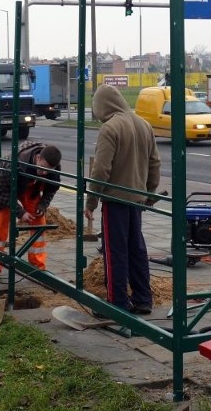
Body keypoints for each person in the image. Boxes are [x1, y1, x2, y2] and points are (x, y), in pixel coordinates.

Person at [84, 84, 161, 315]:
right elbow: (154, 164)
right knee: (136, 248)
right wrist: (148, 194)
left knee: (114, 250)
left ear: (102, 107)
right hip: (136, 199)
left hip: (115, 199)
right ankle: (143, 298)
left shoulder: (110, 128)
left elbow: (101, 171)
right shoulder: (144, 124)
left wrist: (91, 202)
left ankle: (117, 302)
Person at [0, 142, 62, 283]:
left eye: (48, 170)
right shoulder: (12, 164)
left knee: (39, 222)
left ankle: (37, 268)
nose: (44, 173)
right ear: (38, 158)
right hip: (7, 188)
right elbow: (1, 193)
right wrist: (20, 212)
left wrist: (42, 205)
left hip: (31, 188)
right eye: (42, 168)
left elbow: (51, 188)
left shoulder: (53, 167)